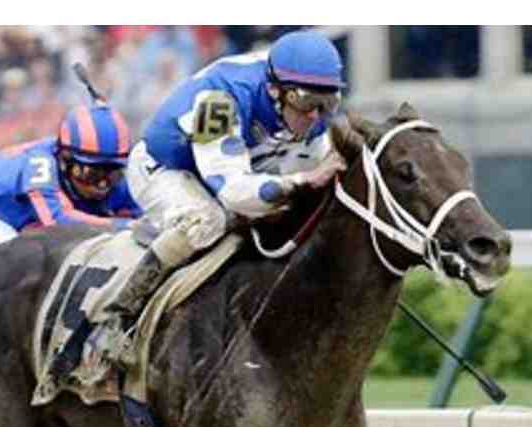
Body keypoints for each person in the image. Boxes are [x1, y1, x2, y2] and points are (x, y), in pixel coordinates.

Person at [58, 30, 349, 377]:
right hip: (166, 169)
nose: (317, 116)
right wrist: (302, 180)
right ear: (276, 90)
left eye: (328, 103)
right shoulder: (221, 99)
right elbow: (234, 192)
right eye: (306, 102)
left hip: (235, 167)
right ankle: (115, 322)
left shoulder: (309, 109)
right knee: (205, 220)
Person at [0, 103, 141, 268]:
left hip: (18, 222)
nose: (103, 184)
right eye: (91, 173)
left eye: (112, 172)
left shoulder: (118, 181)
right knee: (15, 271)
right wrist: (124, 226)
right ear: (65, 159)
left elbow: (144, 217)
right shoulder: (40, 165)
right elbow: (58, 222)